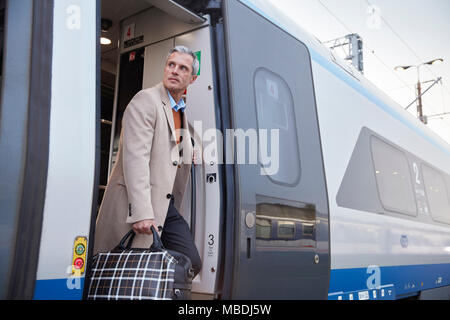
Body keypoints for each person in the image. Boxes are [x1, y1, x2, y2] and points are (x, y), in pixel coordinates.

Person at [94, 46, 202, 277]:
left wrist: (192, 151)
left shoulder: (179, 110)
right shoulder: (146, 100)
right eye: (171, 65)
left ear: (192, 79)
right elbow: (135, 158)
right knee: (122, 273)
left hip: (165, 204)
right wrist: (142, 211)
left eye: (183, 68)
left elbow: (185, 139)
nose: (174, 71)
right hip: (138, 203)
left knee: (190, 262)